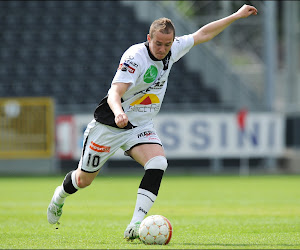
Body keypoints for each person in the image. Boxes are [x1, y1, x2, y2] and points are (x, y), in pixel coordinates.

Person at [47, 4, 258, 240]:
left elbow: (203, 34)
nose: (162, 49)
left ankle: (135, 224)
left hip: (140, 126)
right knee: (83, 180)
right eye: (158, 43)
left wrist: (237, 15)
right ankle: (59, 197)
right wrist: (118, 113)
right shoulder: (134, 57)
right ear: (149, 38)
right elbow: (115, 93)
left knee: (158, 163)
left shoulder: (172, 49)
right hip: (110, 125)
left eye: (167, 44)